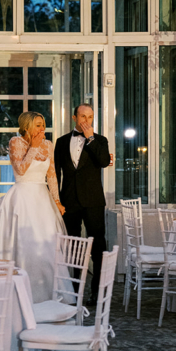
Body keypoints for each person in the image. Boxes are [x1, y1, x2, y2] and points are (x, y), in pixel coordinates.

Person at [0, 111, 66, 303]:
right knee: (26, 244)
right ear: (27, 127)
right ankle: (21, 294)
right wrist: (33, 147)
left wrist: (57, 201)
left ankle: (50, 293)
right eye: (38, 125)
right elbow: (21, 169)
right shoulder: (16, 142)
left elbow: (52, 176)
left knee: (48, 244)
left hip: (43, 199)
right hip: (23, 198)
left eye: (43, 124)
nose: (42, 129)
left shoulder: (48, 145)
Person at [54, 103, 112, 303]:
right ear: (74, 117)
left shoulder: (100, 140)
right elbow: (55, 174)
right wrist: (57, 200)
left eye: (90, 117)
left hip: (93, 201)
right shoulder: (61, 142)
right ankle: (74, 292)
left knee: (98, 246)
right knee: (74, 247)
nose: (86, 121)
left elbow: (104, 162)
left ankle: (97, 293)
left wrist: (90, 139)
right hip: (69, 201)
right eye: (83, 116)